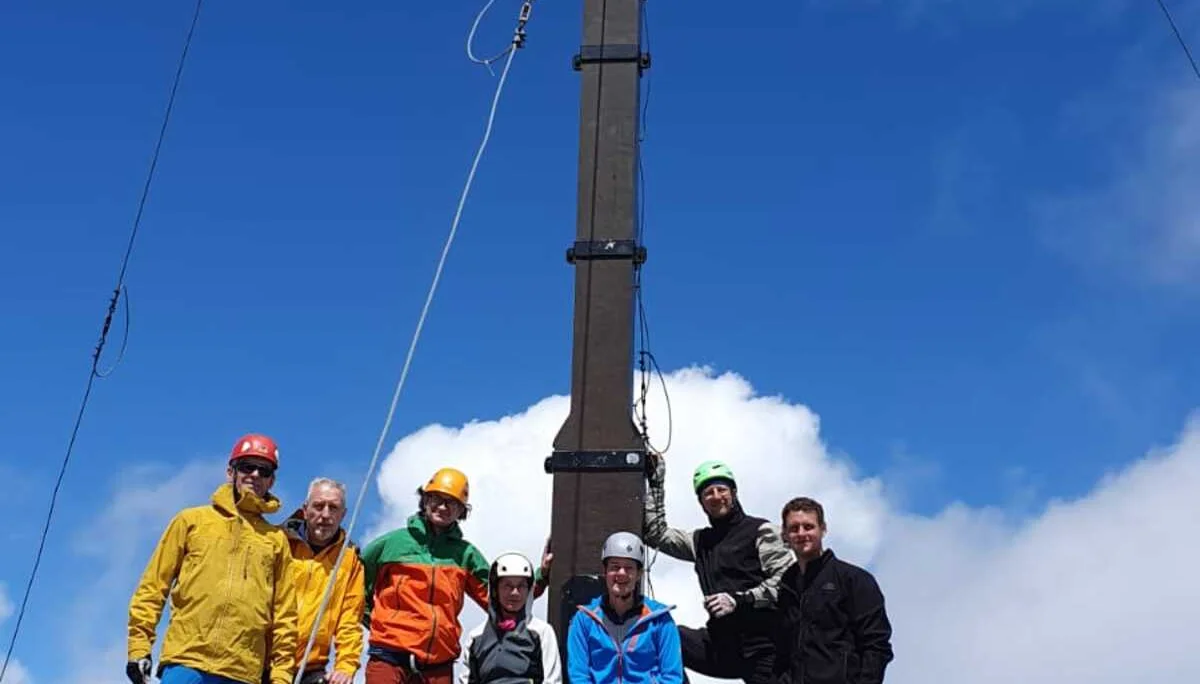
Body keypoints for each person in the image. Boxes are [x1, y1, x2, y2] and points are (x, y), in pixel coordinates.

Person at [127, 433, 299, 684]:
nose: (254, 475)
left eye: (263, 470)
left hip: (243, 672)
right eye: (247, 467)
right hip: (186, 662)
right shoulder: (191, 521)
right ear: (231, 472)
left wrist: (281, 676)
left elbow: (285, 615)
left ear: (271, 481)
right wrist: (138, 647)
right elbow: (153, 587)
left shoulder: (276, 541)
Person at [359, 467, 551, 684]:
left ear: (462, 511)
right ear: (425, 499)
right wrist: (376, 621)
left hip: (438, 666)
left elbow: (502, 596)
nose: (443, 507)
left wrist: (541, 575)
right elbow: (354, 585)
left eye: (452, 503)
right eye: (436, 499)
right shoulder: (391, 544)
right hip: (389, 660)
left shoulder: (465, 555)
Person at [642, 454, 795, 684]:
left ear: (733, 493)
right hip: (722, 646)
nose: (716, 497)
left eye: (721, 490)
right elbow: (656, 533)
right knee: (662, 636)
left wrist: (738, 600)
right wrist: (656, 481)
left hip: (766, 650)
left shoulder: (762, 531)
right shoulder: (700, 541)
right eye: (708, 493)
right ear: (701, 502)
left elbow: (787, 582)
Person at [773, 497, 893, 684]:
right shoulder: (787, 586)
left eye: (808, 526)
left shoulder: (853, 579)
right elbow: (782, 648)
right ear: (785, 535)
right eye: (794, 528)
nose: (801, 533)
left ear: (823, 529)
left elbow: (877, 645)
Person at [566, 531, 684, 684]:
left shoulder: (660, 620)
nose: (621, 573)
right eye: (615, 567)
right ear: (605, 571)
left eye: (629, 568)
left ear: (639, 574)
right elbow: (578, 676)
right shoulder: (584, 620)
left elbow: (672, 677)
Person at [280, 477, 366, 684]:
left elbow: (350, 619)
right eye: (318, 506)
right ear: (305, 509)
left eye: (333, 508)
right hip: (265, 661)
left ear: (343, 514)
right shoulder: (279, 543)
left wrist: (345, 666)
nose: (325, 515)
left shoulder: (349, 559)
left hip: (310, 667)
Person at [459, 551, 562, 684]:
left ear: (529, 590)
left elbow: (552, 680)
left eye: (521, 586)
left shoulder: (542, 632)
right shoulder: (476, 637)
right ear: (495, 590)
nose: (515, 593)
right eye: (507, 586)